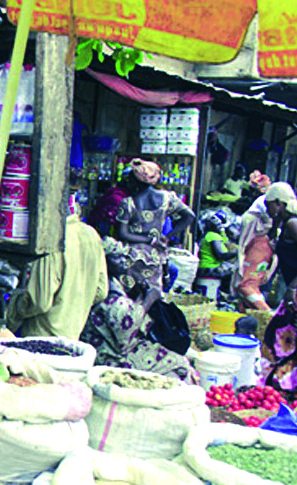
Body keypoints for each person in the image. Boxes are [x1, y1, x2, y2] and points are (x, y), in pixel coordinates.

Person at [81, 238, 197, 383]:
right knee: (179, 363)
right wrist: (149, 298)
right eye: (116, 257)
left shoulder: (109, 282)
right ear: (103, 261)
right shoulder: (107, 291)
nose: (123, 261)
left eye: (123, 256)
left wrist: (139, 295)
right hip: (110, 354)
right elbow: (126, 330)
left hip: (109, 344)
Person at [5, 212, 108, 339]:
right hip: (72, 336)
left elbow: (39, 301)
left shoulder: (52, 238)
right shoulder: (90, 234)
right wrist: (72, 302)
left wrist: (12, 313)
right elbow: (101, 291)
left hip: (42, 339)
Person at [114, 158, 196, 292]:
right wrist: (167, 237)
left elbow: (123, 233)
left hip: (132, 256)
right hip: (155, 255)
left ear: (136, 181)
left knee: (131, 296)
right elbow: (189, 216)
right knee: (151, 295)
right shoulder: (167, 198)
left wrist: (148, 239)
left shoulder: (128, 202)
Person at [260, 183, 297, 390]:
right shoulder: (284, 225)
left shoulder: (294, 224)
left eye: (269, 205)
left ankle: (288, 384)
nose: (267, 211)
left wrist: (293, 286)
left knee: (283, 338)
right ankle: (289, 384)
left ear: (279, 203)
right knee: (281, 337)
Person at [232, 189, 279, 312]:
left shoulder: (267, 234)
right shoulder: (251, 221)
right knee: (247, 290)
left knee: (247, 294)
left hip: (257, 269)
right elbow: (243, 244)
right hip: (252, 266)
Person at [196, 213, 237, 279]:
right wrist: (237, 253)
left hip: (208, 267)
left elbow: (226, 242)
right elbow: (221, 256)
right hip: (209, 268)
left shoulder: (211, 235)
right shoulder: (213, 236)